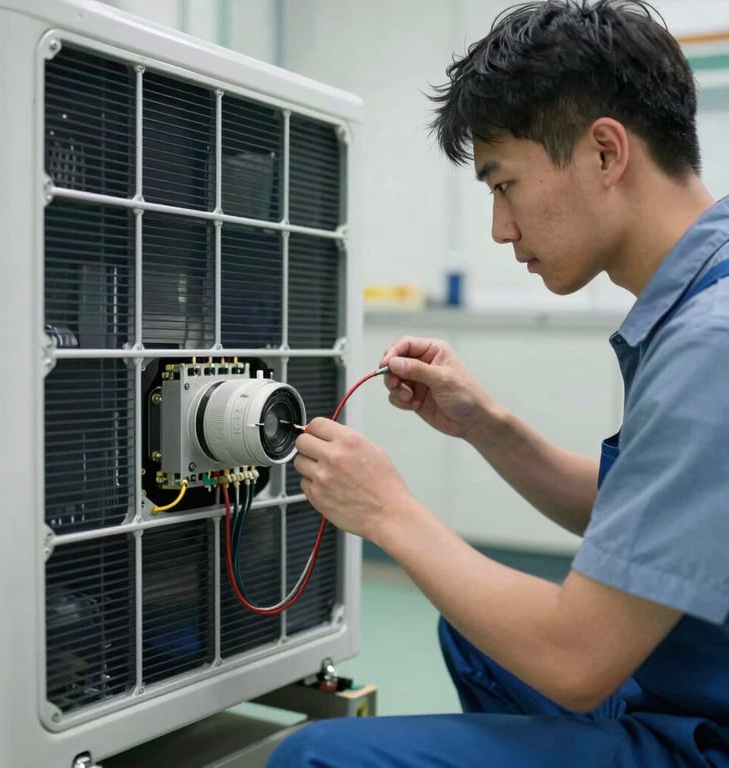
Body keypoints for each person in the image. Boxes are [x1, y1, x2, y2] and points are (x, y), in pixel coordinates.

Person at [267, 0, 729, 765]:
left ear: (607, 153)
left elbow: (578, 662)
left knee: (310, 758)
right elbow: (652, 521)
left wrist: (386, 511)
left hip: (706, 737)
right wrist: (487, 424)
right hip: (695, 686)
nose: (499, 228)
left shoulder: (709, 344)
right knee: (478, 635)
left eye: (503, 184)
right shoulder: (702, 297)